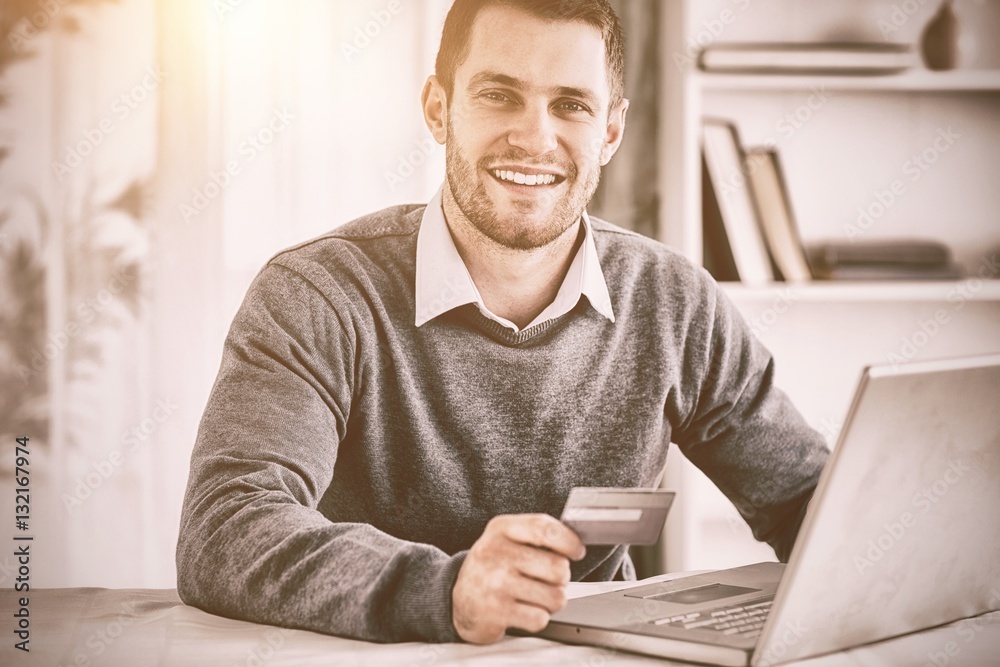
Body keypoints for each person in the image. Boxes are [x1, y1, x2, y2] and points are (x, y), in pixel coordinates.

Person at [176, 0, 829, 646]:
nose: (534, 137)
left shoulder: (673, 301)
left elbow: (814, 506)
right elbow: (228, 527)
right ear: (438, 109)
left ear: (610, 130)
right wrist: (445, 589)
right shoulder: (316, 295)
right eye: (498, 94)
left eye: (571, 104)